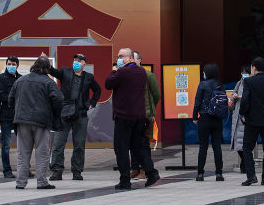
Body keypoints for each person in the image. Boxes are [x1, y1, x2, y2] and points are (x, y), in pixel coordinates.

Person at [106, 47, 159, 190]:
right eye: (118, 56)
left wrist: (114, 71)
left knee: (121, 148)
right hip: (139, 116)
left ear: (130, 58)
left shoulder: (122, 72)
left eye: (121, 56)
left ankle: (125, 180)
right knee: (138, 147)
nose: (118, 59)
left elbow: (108, 84)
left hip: (124, 116)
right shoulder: (142, 72)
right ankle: (151, 172)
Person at [9, 55, 63, 190]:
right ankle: (42, 182)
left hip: (22, 121)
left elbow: (10, 100)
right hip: (41, 121)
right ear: (47, 68)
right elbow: (59, 99)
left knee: (23, 153)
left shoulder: (20, 80)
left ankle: (20, 182)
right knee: (42, 152)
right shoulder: (49, 82)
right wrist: (54, 114)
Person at [48, 53, 101, 181]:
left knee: (79, 144)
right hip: (64, 112)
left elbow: (97, 90)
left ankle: (77, 171)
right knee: (58, 144)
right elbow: (53, 72)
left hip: (81, 114)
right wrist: (46, 62)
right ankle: (56, 170)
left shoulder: (88, 77)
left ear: (84, 64)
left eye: (79, 60)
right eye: (75, 60)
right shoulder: (65, 72)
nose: (76, 62)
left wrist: (92, 103)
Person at [239, 56, 264, 186]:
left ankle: (251, 175)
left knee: (247, 147)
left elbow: (245, 100)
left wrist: (242, 113)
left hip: (252, 120)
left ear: (254, 68)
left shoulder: (249, 81)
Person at [130, 50, 161, 180]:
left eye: (133, 59)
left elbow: (156, 94)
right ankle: (135, 168)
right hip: (131, 115)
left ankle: (144, 170)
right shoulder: (128, 76)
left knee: (143, 143)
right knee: (132, 143)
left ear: (139, 61)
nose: (131, 62)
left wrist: (150, 109)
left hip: (145, 114)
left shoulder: (148, 75)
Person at [193, 63, 227, 181]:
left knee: (203, 146)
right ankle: (219, 173)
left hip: (204, 117)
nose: (203, 73)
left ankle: (200, 174)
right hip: (217, 119)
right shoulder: (220, 85)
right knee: (217, 146)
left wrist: (194, 117)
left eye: (204, 71)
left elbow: (197, 101)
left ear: (207, 72)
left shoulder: (202, 84)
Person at [0, 56, 21, 178]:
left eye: (13, 64)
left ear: (17, 66)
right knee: (6, 144)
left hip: (19, 116)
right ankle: (7, 170)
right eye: (9, 64)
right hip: (5, 116)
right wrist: (13, 100)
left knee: (23, 144)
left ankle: (24, 168)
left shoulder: (21, 79)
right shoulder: (0, 78)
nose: (11, 66)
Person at [228, 65, 249, 173]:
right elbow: (231, 99)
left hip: (246, 116)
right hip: (237, 117)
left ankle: (245, 165)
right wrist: (235, 98)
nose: (244, 74)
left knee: (244, 143)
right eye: (242, 72)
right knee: (238, 143)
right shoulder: (239, 82)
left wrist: (243, 98)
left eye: (246, 72)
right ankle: (245, 163)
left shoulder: (252, 83)